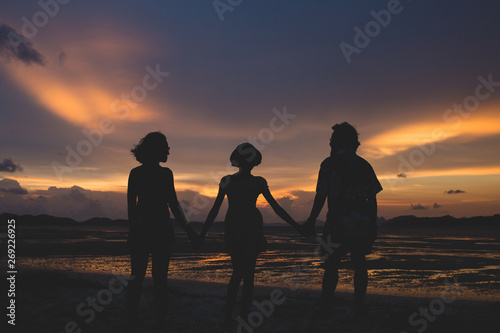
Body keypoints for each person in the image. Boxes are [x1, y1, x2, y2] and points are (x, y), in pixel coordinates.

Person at [198, 142, 305, 329]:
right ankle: (240, 315)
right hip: (245, 226)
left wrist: (202, 233)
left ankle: (234, 315)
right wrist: (297, 226)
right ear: (254, 161)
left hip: (242, 226)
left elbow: (215, 210)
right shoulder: (254, 182)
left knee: (240, 272)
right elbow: (276, 208)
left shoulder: (232, 181)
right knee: (246, 274)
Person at [302, 122, 382, 318]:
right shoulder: (364, 165)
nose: (329, 145)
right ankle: (359, 307)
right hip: (360, 223)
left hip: (336, 223)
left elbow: (321, 195)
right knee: (359, 265)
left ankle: (326, 306)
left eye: (331, 142)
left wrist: (311, 220)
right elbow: (372, 199)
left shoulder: (328, 164)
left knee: (331, 266)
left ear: (337, 143)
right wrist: (373, 224)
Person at [126, 132, 198, 332]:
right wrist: (189, 230)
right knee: (158, 278)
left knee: (138, 276)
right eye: (165, 147)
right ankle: (157, 321)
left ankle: (135, 320)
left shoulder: (136, 173)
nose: (168, 150)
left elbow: (132, 207)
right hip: (158, 228)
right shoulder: (165, 174)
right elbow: (173, 205)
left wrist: (132, 230)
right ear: (157, 150)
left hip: (143, 228)